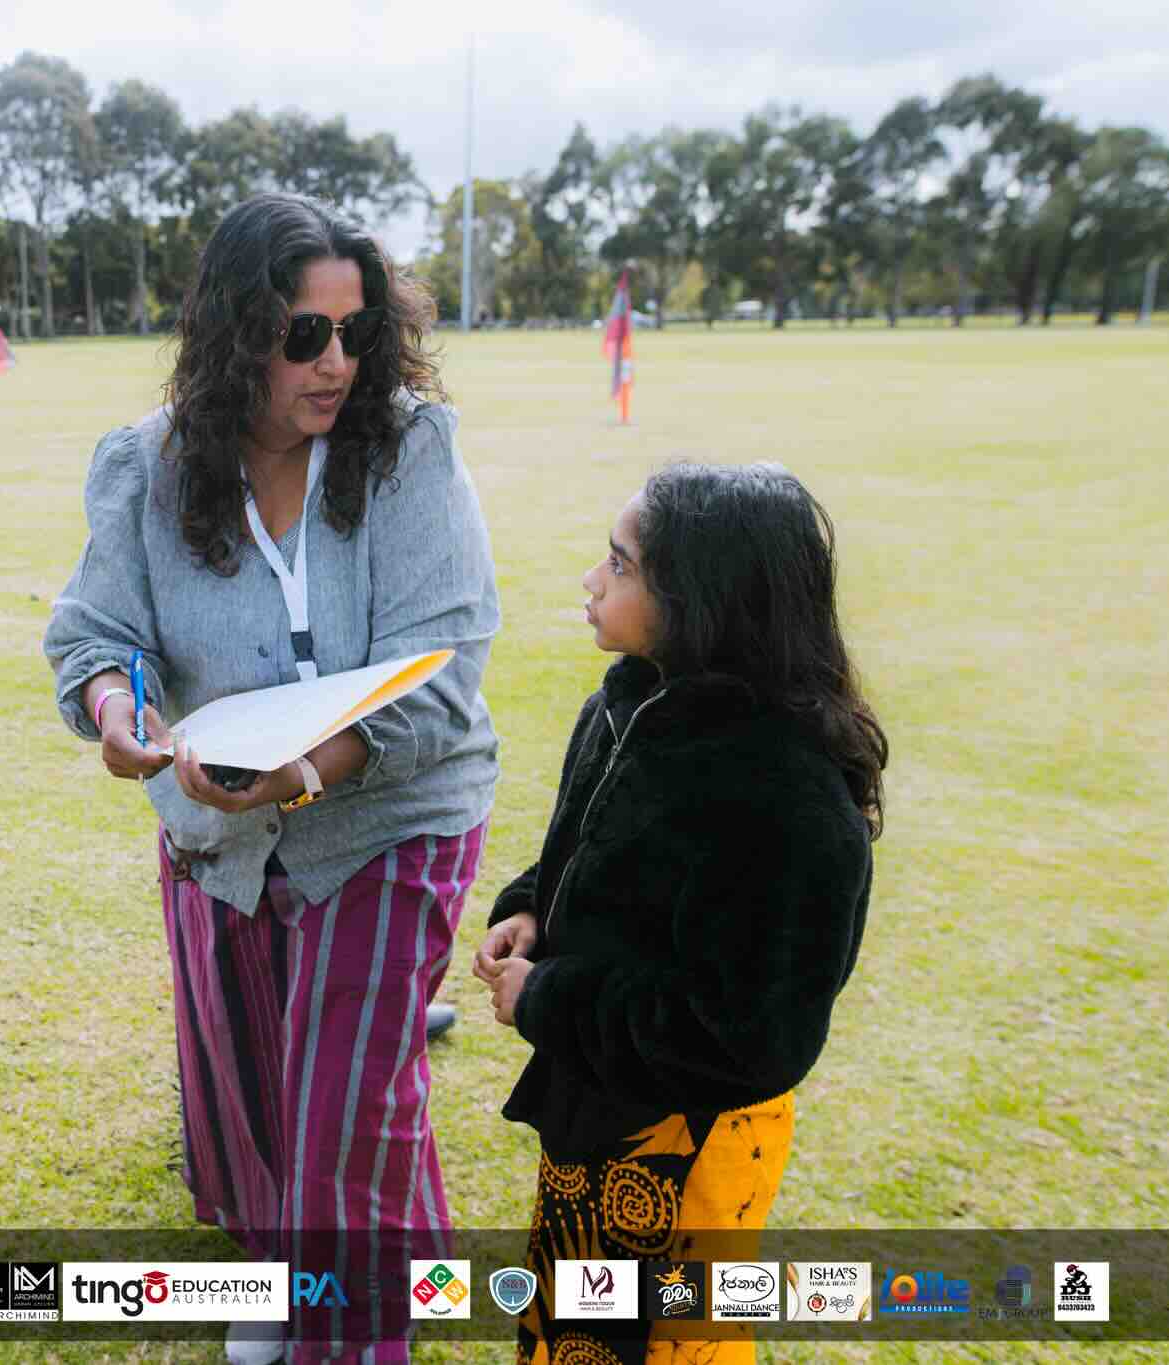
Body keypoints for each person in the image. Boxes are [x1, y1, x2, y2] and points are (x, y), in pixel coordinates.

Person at [44, 192, 501, 1365]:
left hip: (392, 815)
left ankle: (346, 1335)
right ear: (235, 334)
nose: (335, 362)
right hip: (221, 828)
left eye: (355, 331)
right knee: (259, 1090)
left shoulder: (406, 450)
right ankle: (290, 1269)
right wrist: (118, 717)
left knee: (344, 1095)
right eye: (304, 335)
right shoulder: (145, 464)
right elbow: (97, 636)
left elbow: (439, 675)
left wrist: (303, 770)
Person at [473, 463, 886, 1365]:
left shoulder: (788, 802)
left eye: (620, 564)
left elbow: (744, 1036)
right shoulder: (629, 703)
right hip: (598, 1114)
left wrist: (545, 997)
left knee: (661, 1343)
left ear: (701, 600)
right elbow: (590, 852)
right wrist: (532, 909)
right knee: (570, 1332)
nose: (592, 579)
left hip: (687, 1151)